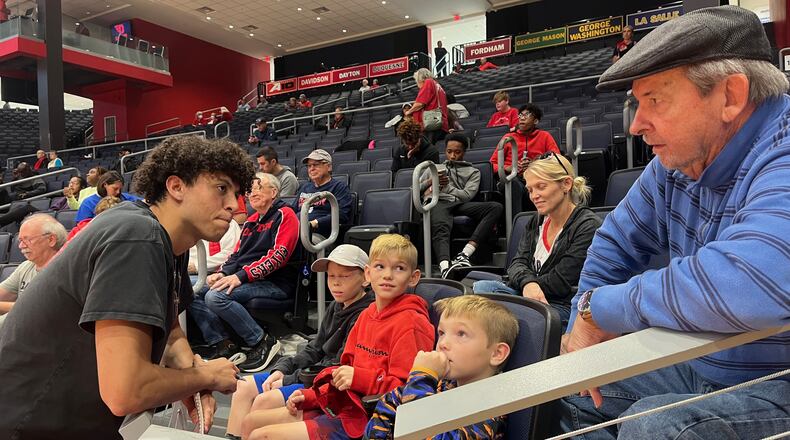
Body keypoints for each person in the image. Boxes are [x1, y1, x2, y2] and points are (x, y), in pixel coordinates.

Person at [559, 6, 790, 438]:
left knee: (658, 425)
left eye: (655, 101)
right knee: (572, 382)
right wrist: (581, 326)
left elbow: (752, 280)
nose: (636, 125)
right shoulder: (675, 161)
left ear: (730, 96)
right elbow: (614, 244)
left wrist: (601, 309)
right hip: (701, 359)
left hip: (780, 378)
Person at [0, 136, 255, 438]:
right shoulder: (137, 236)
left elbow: (170, 327)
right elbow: (126, 391)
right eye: (222, 189)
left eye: (237, 194)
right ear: (176, 187)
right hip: (29, 424)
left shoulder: (168, 242)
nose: (233, 205)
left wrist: (190, 372)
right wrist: (205, 376)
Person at [241, 234, 435, 440]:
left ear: (413, 277)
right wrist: (313, 396)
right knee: (251, 422)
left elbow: (411, 392)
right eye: (380, 266)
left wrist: (360, 378)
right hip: (345, 407)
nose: (388, 275)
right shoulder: (367, 316)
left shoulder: (412, 324)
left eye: (399, 268)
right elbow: (340, 373)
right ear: (368, 274)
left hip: (371, 419)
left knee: (261, 436)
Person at [226, 244, 374, 439]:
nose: (336, 283)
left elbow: (338, 366)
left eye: (344, 276)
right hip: (308, 373)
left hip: (324, 384)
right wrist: (283, 367)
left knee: (265, 400)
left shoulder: (365, 313)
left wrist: (289, 379)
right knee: (243, 386)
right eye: (331, 276)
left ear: (365, 277)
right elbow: (315, 348)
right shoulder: (337, 305)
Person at [473, 153, 600, 328]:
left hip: (561, 305)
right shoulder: (537, 220)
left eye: (541, 187)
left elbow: (561, 281)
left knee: (484, 308)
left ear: (566, 184)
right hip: (528, 294)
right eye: (530, 190)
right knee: (483, 288)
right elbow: (517, 263)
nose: (534, 196)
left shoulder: (587, 226)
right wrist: (527, 283)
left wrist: (526, 284)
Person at [365, 295, 518, 439]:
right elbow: (388, 403)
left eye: (461, 334)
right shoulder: (442, 384)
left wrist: (422, 376)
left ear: (497, 353)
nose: (442, 343)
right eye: (442, 333)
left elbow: (425, 433)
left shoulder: (491, 408)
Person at [189, 173, 298, 373]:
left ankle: (262, 341)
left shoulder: (285, 214)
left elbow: (278, 257)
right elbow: (237, 255)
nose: (252, 193)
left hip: (274, 283)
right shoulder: (251, 220)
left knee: (216, 297)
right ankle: (223, 342)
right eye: (250, 190)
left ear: (273, 192)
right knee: (189, 288)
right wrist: (222, 273)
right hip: (247, 280)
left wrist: (239, 276)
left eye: (258, 187)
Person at [421, 133, 503, 278]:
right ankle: (445, 266)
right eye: (449, 151)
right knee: (441, 226)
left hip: (458, 203)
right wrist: (430, 182)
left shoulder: (473, 172)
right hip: (437, 201)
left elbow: (467, 195)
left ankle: (465, 254)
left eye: (457, 152)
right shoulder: (433, 168)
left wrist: (446, 188)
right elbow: (415, 189)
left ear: (464, 152)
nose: (452, 156)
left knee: (495, 207)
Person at [489, 103, 560, 214]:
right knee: (514, 184)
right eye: (520, 115)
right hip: (511, 178)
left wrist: (534, 164)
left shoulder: (544, 136)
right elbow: (492, 164)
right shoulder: (508, 138)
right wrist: (509, 168)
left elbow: (557, 159)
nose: (522, 118)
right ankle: (516, 224)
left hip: (537, 176)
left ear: (535, 121)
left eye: (527, 115)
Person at [0, 214, 67, 329]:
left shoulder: (65, 271)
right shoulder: (26, 266)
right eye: (20, 240)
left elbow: (39, 309)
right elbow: (3, 294)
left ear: (51, 240)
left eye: (27, 239)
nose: (21, 246)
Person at [292, 149, 353, 239]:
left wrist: (315, 223)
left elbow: (342, 215)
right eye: (309, 166)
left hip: (320, 234)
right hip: (298, 230)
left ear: (328, 167)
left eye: (315, 165)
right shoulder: (305, 187)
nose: (311, 169)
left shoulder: (339, 187)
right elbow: (293, 210)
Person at [404, 68, 449, 144]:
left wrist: (408, 112)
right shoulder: (437, 84)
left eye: (416, 80)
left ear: (420, 78)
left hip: (431, 125)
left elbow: (420, 103)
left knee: (427, 151)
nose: (417, 83)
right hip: (438, 123)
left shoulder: (428, 82)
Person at [76, 171, 140, 222]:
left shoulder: (126, 198)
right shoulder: (88, 203)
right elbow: (83, 228)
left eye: (120, 189)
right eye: (115, 189)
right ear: (105, 185)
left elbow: (144, 202)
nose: (118, 192)